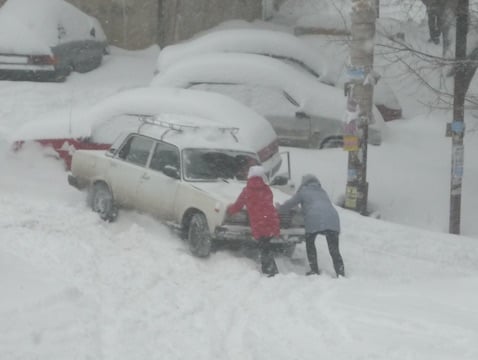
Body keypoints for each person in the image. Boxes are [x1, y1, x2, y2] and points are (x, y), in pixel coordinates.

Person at [277, 174, 345, 278]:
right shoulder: (322, 192)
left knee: (310, 243)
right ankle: (340, 272)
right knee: (334, 249)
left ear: (304, 183)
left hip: (314, 219)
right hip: (333, 219)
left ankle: (314, 270)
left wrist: (279, 209)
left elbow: (289, 204)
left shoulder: (303, 191)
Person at [227, 165, 280, 277]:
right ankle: (270, 270)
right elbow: (268, 202)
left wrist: (230, 210)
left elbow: (238, 205)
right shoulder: (267, 189)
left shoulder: (247, 191)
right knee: (266, 245)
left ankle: (270, 271)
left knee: (264, 247)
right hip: (271, 219)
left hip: (258, 222)